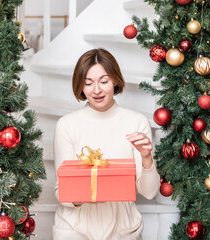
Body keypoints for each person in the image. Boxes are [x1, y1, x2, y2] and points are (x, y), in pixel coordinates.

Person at [53, 48, 160, 240]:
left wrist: (146, 158)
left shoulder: (136, 122)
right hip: (74, 227)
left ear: (115, 81)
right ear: (81, 87)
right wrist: (88, 194)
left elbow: (150, 192)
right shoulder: (67, 125)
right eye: (88, 83)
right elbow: (61, 191)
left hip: (123, 228)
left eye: (104, 81)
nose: (96, 90)